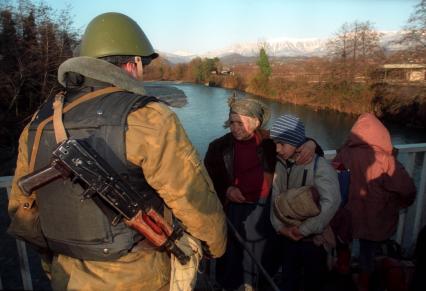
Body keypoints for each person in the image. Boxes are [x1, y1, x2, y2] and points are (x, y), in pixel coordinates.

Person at [7, 12, 227, 290]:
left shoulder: (41, 120)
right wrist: (214, 245)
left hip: (67, 275)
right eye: (142, 63)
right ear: (132, 64)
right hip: (135, 275)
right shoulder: (148, 116)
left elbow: (20, 205)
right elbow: (193, 200)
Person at [204, 99, 320, 291]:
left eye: (240, 123)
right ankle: (229, 285)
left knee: (265, 252)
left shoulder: (271, 141)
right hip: (234, 208)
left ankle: (259, 283)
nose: (234, 128)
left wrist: (311, 143)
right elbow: (209, 175)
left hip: (267, 207)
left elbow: (304, 150)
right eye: (232, 122)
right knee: (234, 253)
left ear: (256, 122)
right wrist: (227, 189)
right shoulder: (218, 147)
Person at [332, 113, 416, 291]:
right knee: (368, 253)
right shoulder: (386, 159)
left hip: (349, 212)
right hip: (375, 217)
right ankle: (363, 282)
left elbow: (332, 178)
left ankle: (343, 270)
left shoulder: (345, 153)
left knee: (343, 242)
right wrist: (402, 202)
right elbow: (406, 187)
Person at [269, 114, 341, 291]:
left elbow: (331, 202)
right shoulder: (280, 164)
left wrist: (303, 230)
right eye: (275, 144)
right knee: (289, 279)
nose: (278, 149)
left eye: (282, 144)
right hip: (288, 237)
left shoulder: (319, 166)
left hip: (314, 240)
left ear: (296, 142)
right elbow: (275, 198)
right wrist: (280, 227)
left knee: (312, 281)